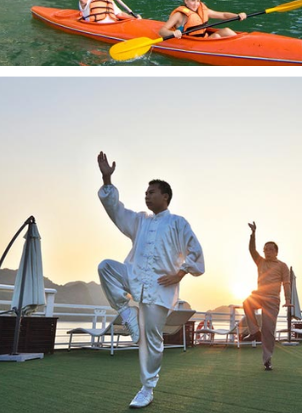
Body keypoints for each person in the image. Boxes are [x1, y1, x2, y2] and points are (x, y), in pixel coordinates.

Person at [94, 151, 204, 410]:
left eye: (151, 192)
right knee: (106, 267)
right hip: (134, 279)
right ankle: (127, 312)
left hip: (160, 289)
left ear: (165, 196)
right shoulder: (140, 221)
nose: (147, 195)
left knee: (151, 339)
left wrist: (180, 273)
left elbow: (195, 252)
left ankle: (147, 388)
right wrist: (107, 179)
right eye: (146, 192)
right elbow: (116, 210)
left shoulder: (178, 223)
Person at [241, 222, 291, 371]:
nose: (267, 251)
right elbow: (251, 249)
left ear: (276, 252)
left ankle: (267, 360)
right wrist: (253, 234)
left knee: (268, 331)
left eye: (271, 249)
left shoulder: (282, 266)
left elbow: (286, 283)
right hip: (259, 295)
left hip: (273, 300)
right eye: (265, 249)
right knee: (247, 302)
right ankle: (254, 331)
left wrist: (288, 300)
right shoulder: (260, 262)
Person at [157, 0, 246, 39]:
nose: (196, 4)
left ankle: (243, 45)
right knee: (217, 37)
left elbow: (223, 15)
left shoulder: (202, 10)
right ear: (186, 1)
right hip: (194, 41)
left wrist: (237, 15)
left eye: (198, 1)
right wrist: (174, 34)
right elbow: (162, 31)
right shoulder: (179, 15)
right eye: (193, 1)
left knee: (227, 30)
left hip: (205, 37)